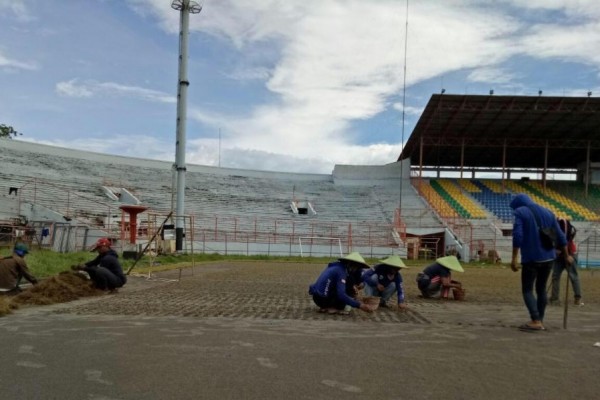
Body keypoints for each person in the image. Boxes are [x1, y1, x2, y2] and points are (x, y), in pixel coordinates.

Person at [510, 193, 573, 332]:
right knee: (541, 289)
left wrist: (514, 258)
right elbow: (561, 237)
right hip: (549, 258)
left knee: (527, 289)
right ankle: (539, 320)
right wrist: (567, 255)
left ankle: (536, 320)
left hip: (531, 258)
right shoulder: (548, 212)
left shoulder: (520, 212)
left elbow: (518, 236)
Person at [308, 251, 374, 315]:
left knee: (348, 283)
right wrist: (360, 305)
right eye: (356, 267)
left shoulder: (336, 266)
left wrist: (362, 285)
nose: (356, 269)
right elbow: (341, 294)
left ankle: (326, 307)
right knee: (346, 291)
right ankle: (333, 307)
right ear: (351, 264)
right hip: (323, 299)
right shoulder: (341, 271)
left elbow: (362, 278)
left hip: (316, 298)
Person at [550, 218, 583, 306]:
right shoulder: (551, 225)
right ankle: (554, 298)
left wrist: (566, 254)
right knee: (555, 276)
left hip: (570, 253)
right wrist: (555, 250)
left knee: (573, 276)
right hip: (559, 256)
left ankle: (577, 299)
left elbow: (564, 239)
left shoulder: (562, 222)